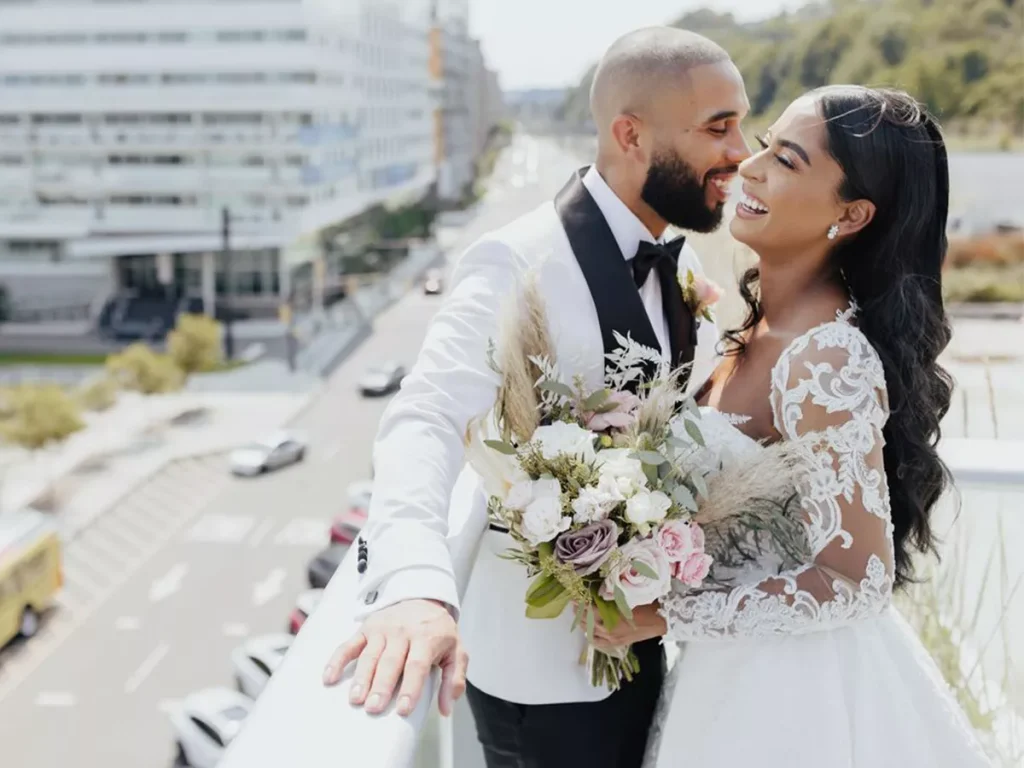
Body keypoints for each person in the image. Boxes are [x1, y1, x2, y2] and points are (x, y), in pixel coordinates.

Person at [321, 27, 750, 768]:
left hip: (643, 653)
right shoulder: (513, 260)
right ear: (630, 135)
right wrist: (418, 584)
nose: (741, 151)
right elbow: (424, 417)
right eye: (719, 127)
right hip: (539, 690)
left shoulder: (679, 266)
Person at [586, 85, 992, 767]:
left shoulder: (824, 356)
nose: (751, 165)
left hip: (793, 707)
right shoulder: (751, 329)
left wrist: (668, 616)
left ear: (853, 213)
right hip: (728, 681)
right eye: (766, 143)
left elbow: (857, 575)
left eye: (789, 160)